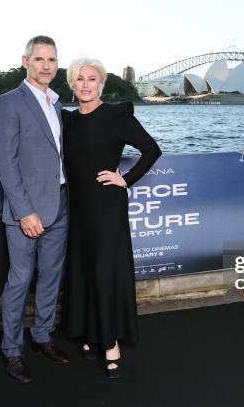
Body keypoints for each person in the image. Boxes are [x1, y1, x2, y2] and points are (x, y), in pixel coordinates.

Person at [60, 56, 161, 378]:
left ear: (101, 83)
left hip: (106, 206)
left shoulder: (116, 115)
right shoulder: (68, 120)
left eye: (92, 79)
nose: (86, 84)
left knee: (104, 271)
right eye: (80, 79)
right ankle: (90, 332)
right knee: (84, 269)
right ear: (72, 84)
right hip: (77, 207)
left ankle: (110, 342)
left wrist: (125, 179)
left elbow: (151, 150)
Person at [0, 35, 70, 384]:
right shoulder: (8, 102)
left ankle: (41, 337)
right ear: (26, 62)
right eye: (39, 59)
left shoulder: (56, 103)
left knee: (51, 277)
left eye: (51, 60)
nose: (46, 65)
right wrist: (24, 211)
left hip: (61, 205)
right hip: (27, 211)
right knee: (20, 280)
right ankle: (12, 351)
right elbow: (6, 163)